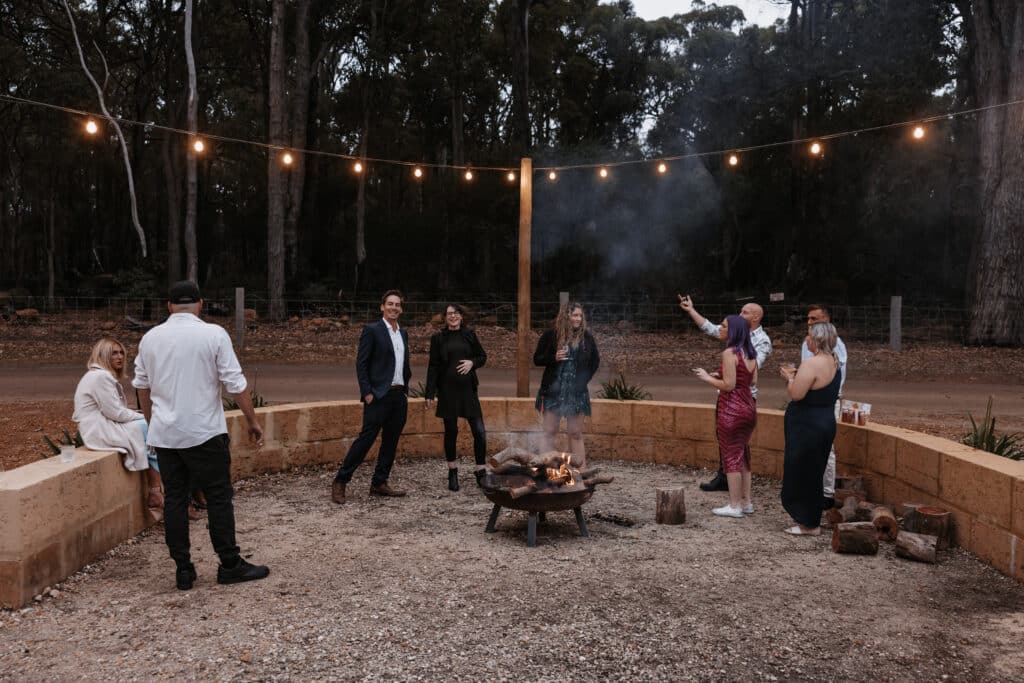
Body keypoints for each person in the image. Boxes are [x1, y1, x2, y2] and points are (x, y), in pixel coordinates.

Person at [133, 280, 269, 590]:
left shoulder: (150, 338)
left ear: (169, 306)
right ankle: (229, 564)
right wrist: (252, 420)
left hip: (166, 436)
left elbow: (142, 385)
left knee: (175, 499)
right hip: (205, 432)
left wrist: (153, 425)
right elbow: (235, 383)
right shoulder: (213, 334)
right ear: (200, 304)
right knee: (219, 496)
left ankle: (183, 569)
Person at [678, 295, 772, 491]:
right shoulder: (735, 336)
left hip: (742, 398)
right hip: (727, 396)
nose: (740, 314)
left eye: (744, 312)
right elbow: (710, 328)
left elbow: (751, 370)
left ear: (756, 317)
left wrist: (712, 376)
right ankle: (727, 480)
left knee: (737, 443)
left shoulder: (762, 341)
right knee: (725, 438)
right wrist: (691, 310)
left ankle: (735, 491)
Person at [331, 289, 410, 503]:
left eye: (397, 304)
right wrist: (367, 392)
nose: (394, 307)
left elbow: (403, 364)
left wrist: (405, 391)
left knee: (391, 442)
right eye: (390, 304)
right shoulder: (372, 330)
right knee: (365, 440)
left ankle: (379, 482)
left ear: (401, 309)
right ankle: (341, 480)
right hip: (378, 396)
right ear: (382, 307)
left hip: (398, 396)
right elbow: (362, 363)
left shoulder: (403, 334)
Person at [74, 337, 163, 521]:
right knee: (149, 428)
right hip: (100, 429)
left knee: (148, 429)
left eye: (122, 352)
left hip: (102, 425)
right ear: (102, 355)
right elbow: (115, 413)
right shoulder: (100, 377)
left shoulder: (97, 375)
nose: (120, 357)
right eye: (114, 353)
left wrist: (140, 415)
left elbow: (116, 412)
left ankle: (157, 491)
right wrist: (145, 416)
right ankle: (156, 490)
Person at [779, 322, 842, 535]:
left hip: (807, 425)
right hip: (825, 421)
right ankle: (810, 518)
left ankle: (808, 523)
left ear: (816, 339)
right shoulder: (834, 361)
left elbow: (796, 394)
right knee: (815, 471)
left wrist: (790, 378)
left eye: (808, 335)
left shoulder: (811, 363)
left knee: (802, 471)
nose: (806, 339)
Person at [693, 315, 758, 518]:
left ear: (733, 331)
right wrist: (720, 375)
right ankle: (746, 502)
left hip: (731, 409)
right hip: (748, 407)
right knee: (743, 454)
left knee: (730, 455)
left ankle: (734, 505)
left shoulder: (730, 353)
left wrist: (706, 378)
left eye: (723, 326)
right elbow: (751, 380)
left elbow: (729, 386)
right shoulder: (750, 352)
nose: (720, 328)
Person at [424, 304, 488, 491]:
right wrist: (429, 392)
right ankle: (452, 471)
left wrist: (472, 363)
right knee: (451, 431)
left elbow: (482, 356)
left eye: (456, 313)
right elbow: (433, 366)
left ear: (461, 316)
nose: (452, 316)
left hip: (468, 390)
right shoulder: (438, 338)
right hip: (447, 391)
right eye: (449, 314)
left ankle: (481, 471)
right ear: (445, 317)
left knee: (479, 431)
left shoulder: (469, 335)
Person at [534, 302, 600, 468]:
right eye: (574, 315)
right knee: (549, 431)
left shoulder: (586, 337)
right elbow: (537, 359)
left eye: (580, 316)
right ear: (566, 316)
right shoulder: (551, 335)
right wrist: (553, 357)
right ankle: (545, 469)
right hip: (553, 391)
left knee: (575, 432)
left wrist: (583, 381)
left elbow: (595, 362)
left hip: (576, 392)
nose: (578, 319)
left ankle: (580, 472)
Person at [801, 304, 848, 509]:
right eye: (808, 319)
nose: (810, 322)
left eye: (815, 319)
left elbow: (837, 377)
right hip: (808, 400)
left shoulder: (836, 345)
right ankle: (811, 488)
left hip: (825, 401)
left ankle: (827, 493)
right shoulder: (807, 343)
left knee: (826, 448)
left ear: (827, 320)